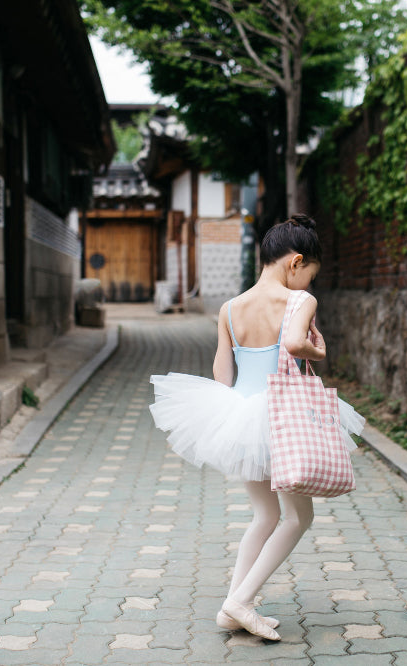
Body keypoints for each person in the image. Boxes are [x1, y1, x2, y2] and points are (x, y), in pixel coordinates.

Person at [149, 214, 364, 641]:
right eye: (308, 274)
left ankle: (233, 608)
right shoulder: (300, 301)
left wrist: (228, 418)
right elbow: (294, 344)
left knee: (265, 514)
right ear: (295, 262)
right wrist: (317, 353)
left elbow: (221, 371)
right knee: (298, 518)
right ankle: (240, 601)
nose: (306, 283)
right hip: (283, 417)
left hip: (241, 416)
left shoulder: (230, 309)